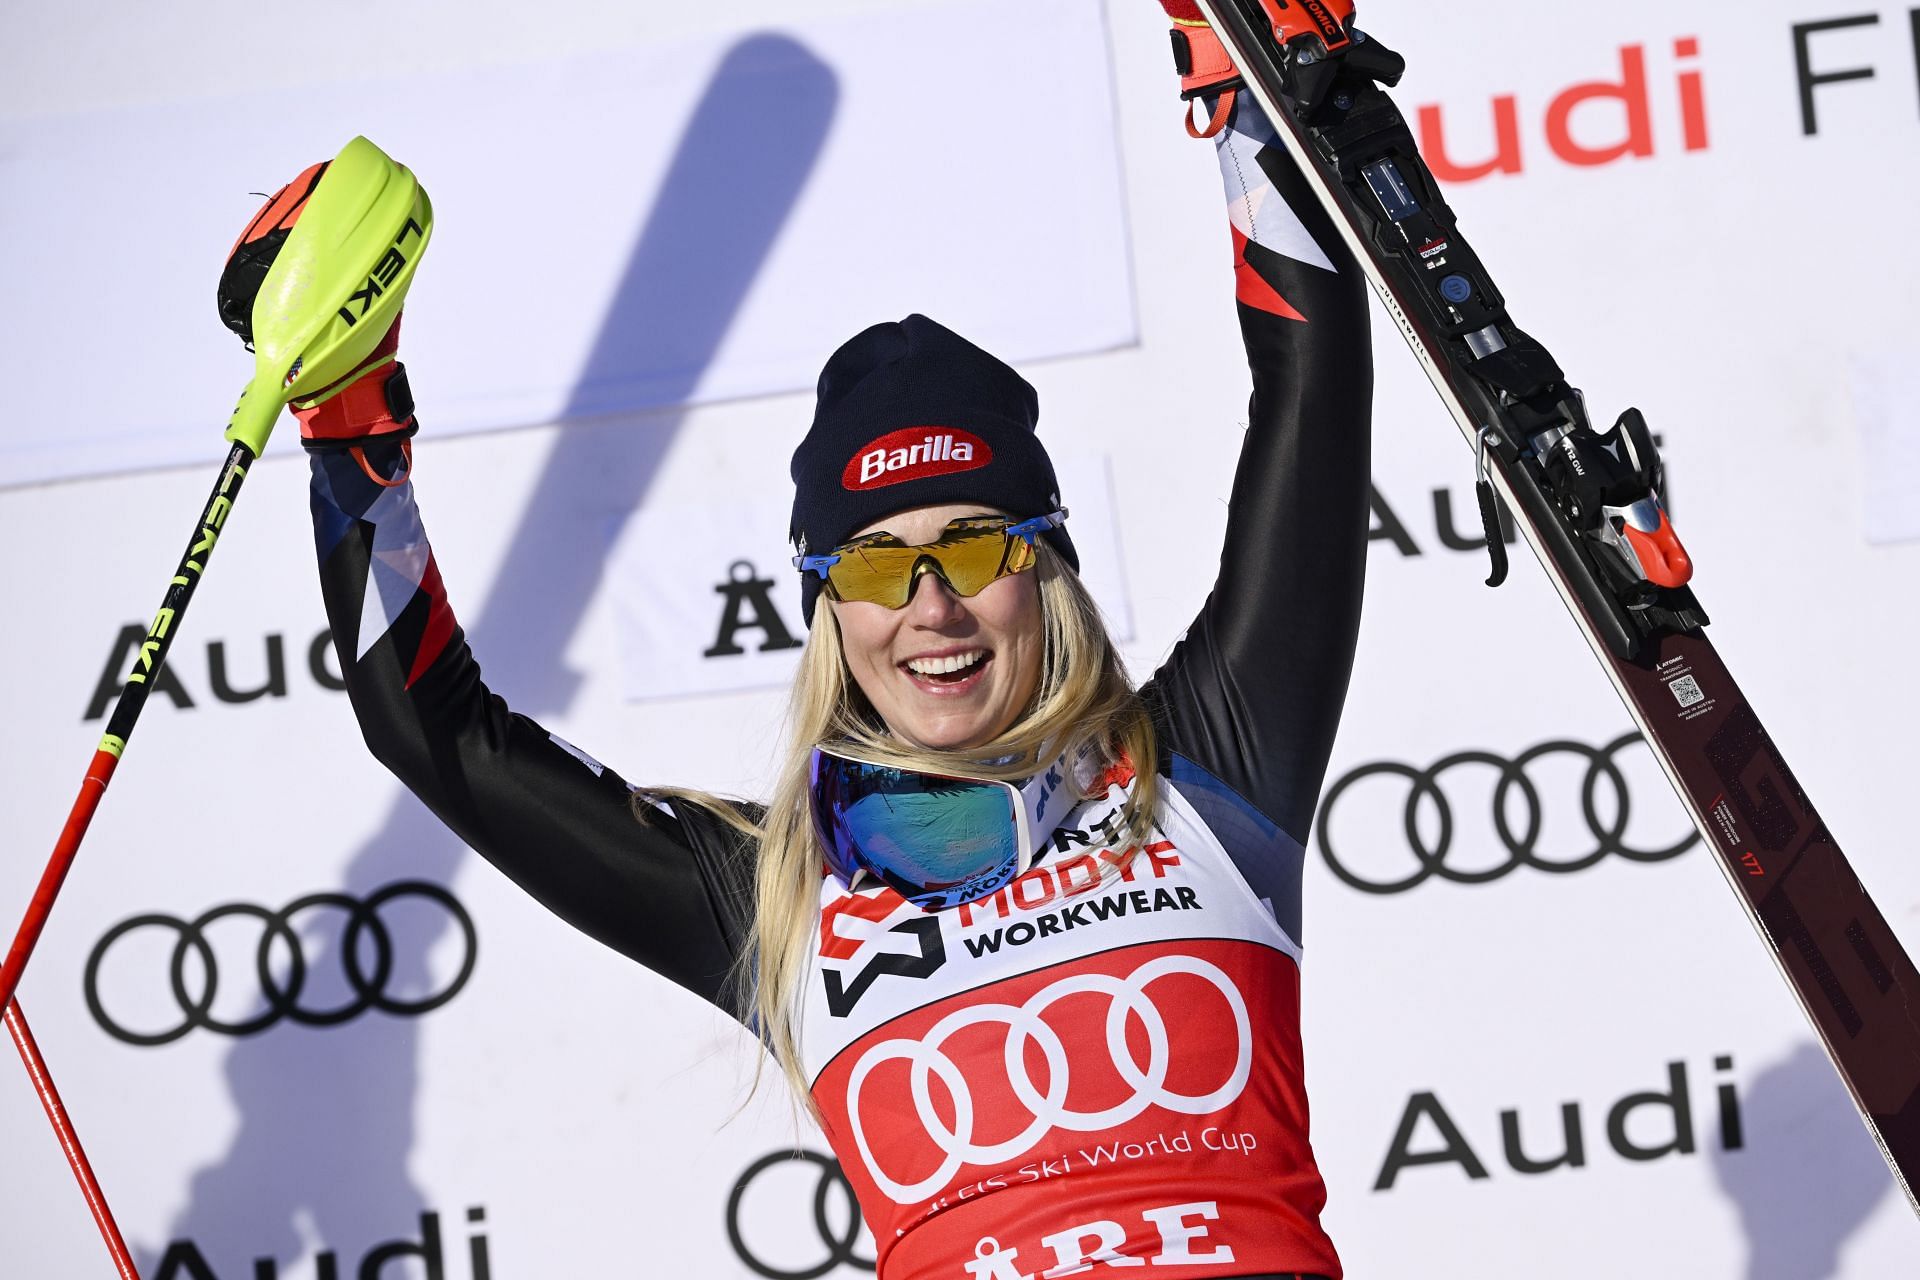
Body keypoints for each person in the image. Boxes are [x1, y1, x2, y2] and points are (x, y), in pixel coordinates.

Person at [257, 8, 1371, 1277]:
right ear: (829, 606)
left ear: (1046, 566)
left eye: (974, 545)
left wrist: (1254, 100)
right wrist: (350, 430)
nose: (932, 608)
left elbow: (1311, 392)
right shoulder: (777, 895)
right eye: (879, 565)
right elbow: (434, 731)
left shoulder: (1207, 775)